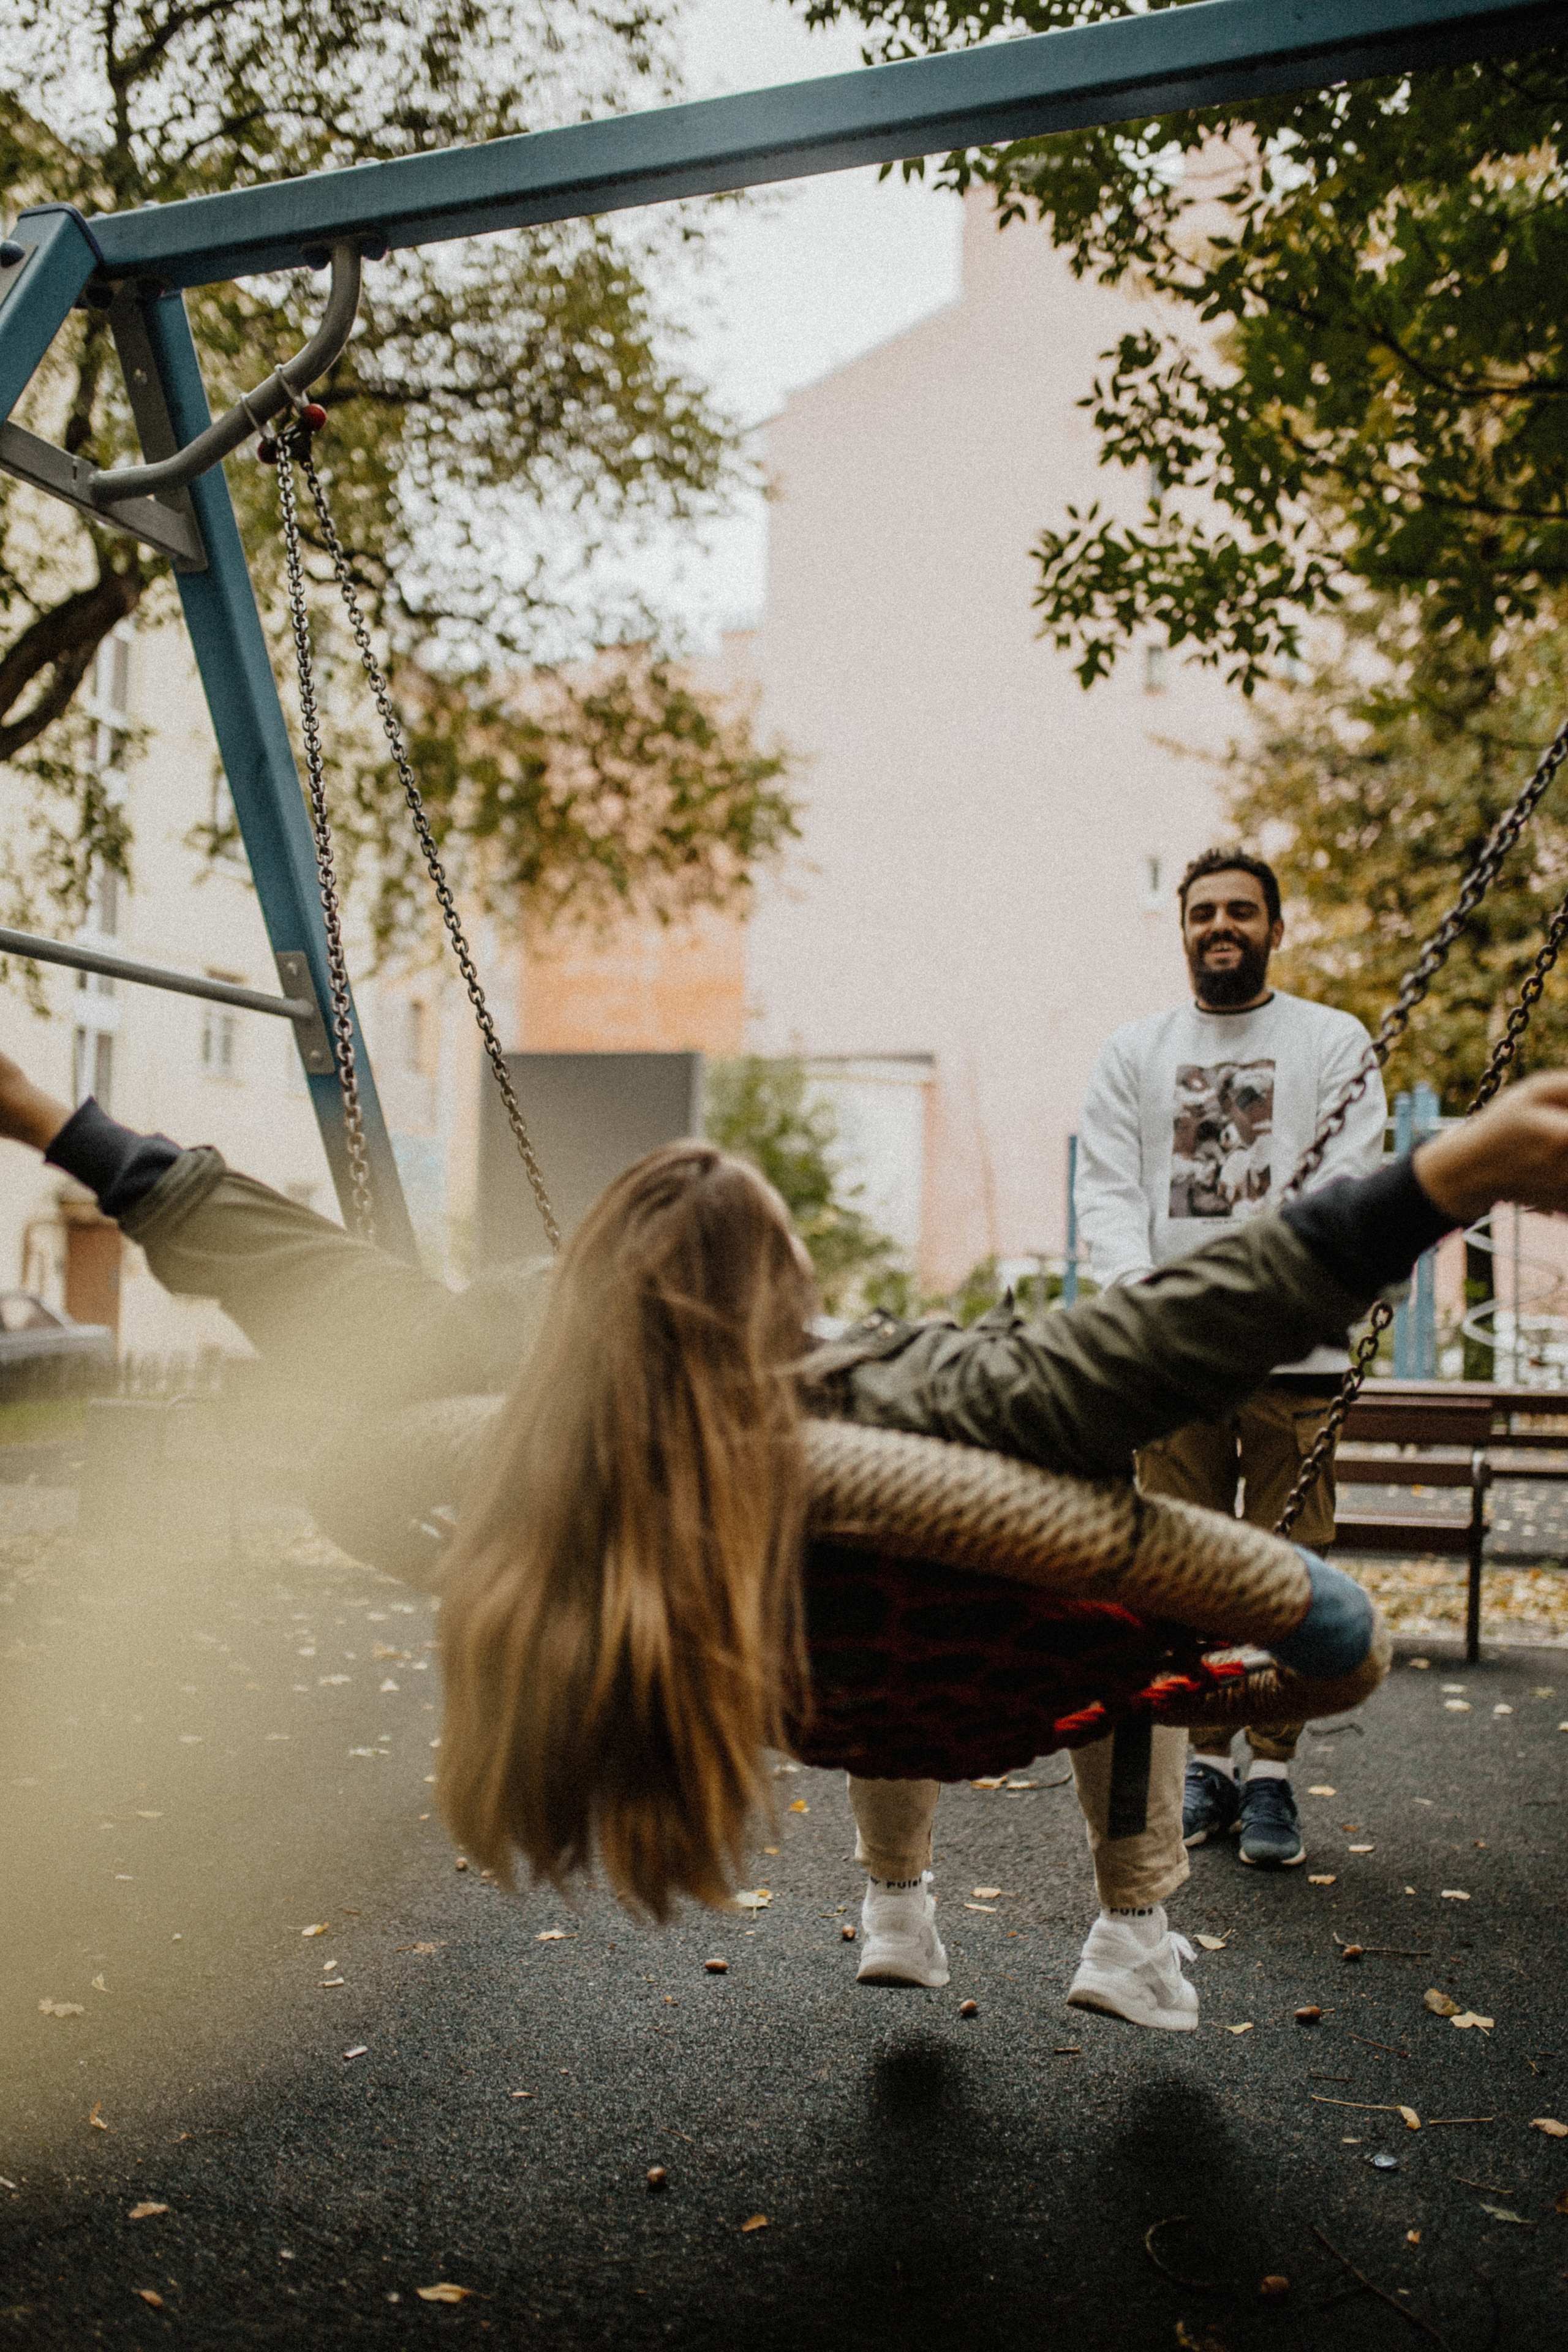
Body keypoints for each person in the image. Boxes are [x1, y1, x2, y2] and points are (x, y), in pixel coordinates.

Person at [4, 1050, 1559, 2032]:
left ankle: (900, 1902)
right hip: (992, 1677)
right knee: (1116, 1585)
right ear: (790, 1292)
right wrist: (1454, 1169)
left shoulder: (533, 1413)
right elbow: (1179, 1328)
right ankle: (1127, 1924)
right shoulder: (942, 1394)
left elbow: (278, 1260)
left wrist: (35, 1109)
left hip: (778, 1680)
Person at [1076, 848, 1387, 1869]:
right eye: (1204, 911)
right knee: (1183, 1567)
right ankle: (1204, 1761)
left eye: (1242, 911)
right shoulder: (1135, 1051)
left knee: (1288, 1567)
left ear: (1276, 928)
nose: (1222, 925)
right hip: (1174, 1357)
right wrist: (1145, 1315)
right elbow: (1110, 1194)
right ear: (1182, 930)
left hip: (1293, 1353)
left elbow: (1349, 1182)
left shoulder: (1331, 1043)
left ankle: (1274, 1773)